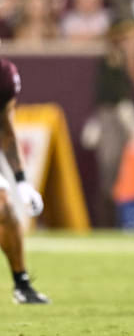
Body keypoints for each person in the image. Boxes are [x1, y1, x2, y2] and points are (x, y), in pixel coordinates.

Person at [0, 58, 49, 304]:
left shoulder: (4, 74)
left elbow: (6, 129)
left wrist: (21, 181)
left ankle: (22, 285)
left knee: (5, 212)